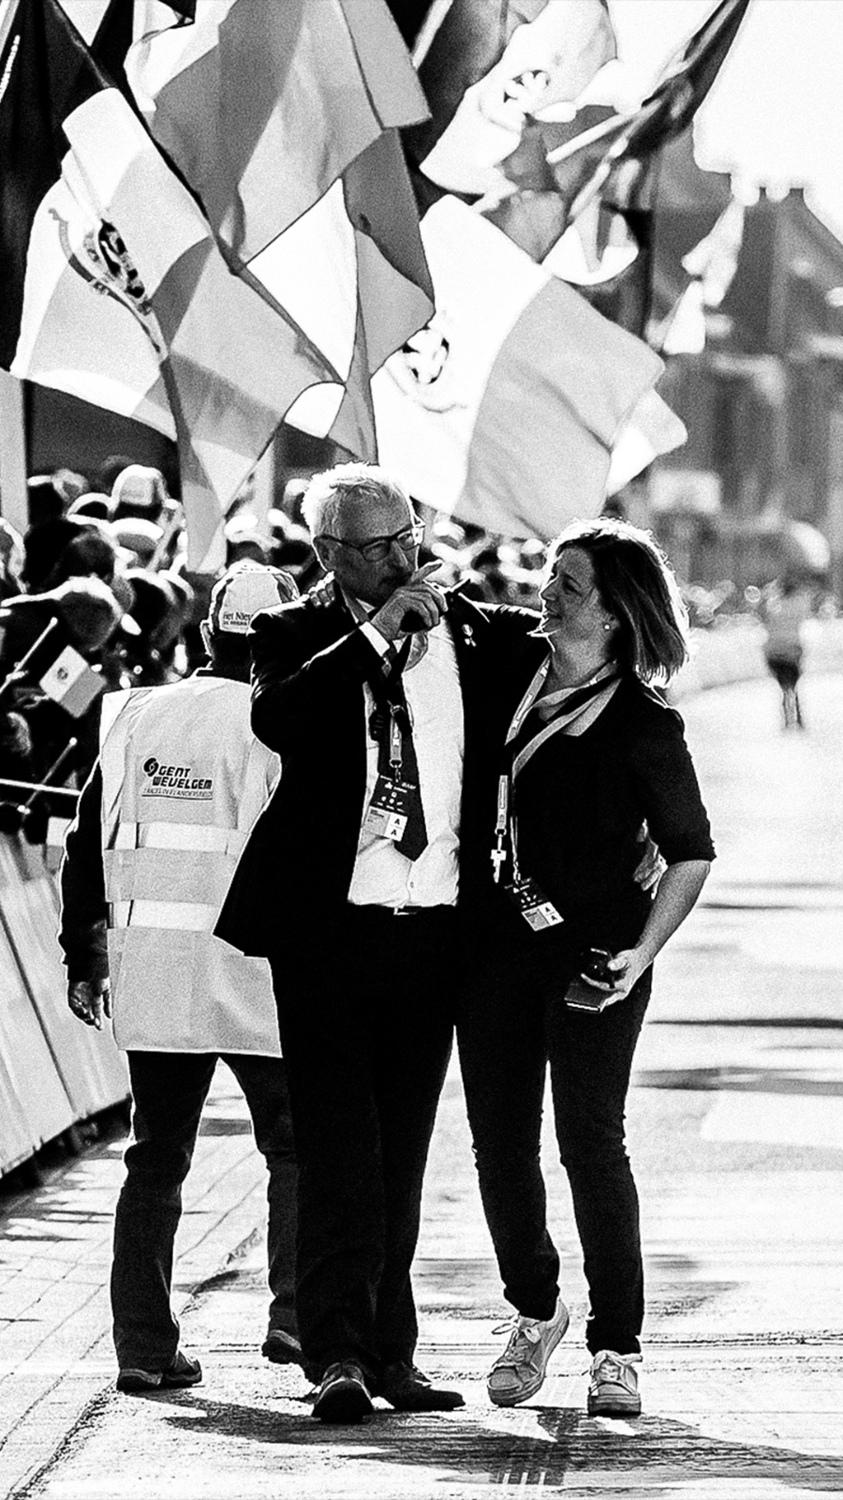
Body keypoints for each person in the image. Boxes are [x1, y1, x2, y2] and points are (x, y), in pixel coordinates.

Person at [215, 462, 550, 1423]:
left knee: (401, 1152)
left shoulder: (477, 634)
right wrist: (373, 638)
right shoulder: (296, 635)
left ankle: (391, 1354)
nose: (402, 557)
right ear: (328, 555)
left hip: (439, 927)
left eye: (408, 535)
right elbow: (279, 717)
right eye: (375, 547)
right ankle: (335, 1355)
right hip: (328, 931)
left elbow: (580, 670)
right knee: (335, 1148)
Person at [456, 518, 715, 1419]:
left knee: (590, 1144)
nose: (546, 592)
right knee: (497, 1148)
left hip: (595, 958)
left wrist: (642, 952)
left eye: (567, 584)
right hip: (490, 948)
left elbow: (689, 851)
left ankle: (616, 1346)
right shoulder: (500, 672)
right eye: (548, 576)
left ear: (611, 612)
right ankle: (535, 1310)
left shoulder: (644, 723)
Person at [59, 561, 303, 1393]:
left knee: (156, 1157)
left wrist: (82, 954)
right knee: (293, 1150)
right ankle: (295, 1316)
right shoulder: (285, 722)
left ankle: (142, 1346)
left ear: (206, 634)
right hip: (260, 972)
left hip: (154, 968)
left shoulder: (134, 714)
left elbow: (85, 840)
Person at [760, 575, 813, 730]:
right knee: (794, 688)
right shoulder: (798, 605)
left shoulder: (773, 605)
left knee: (783, 689)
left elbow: (764, 617)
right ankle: (799, 719)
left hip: (775, 651)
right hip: (793, 651)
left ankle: (786, 720)